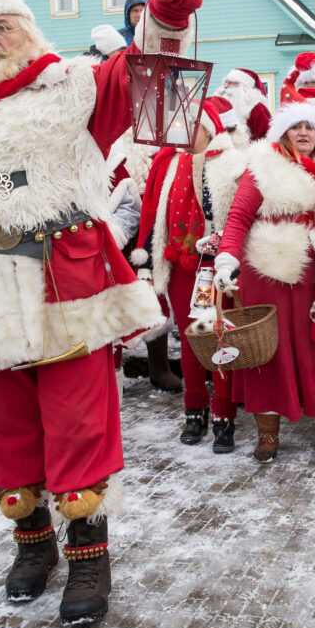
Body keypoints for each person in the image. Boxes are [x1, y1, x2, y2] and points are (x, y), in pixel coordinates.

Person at [0, 0, 200, 625]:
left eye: (4, 26)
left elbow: (145, 78)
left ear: (29, 36)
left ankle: (88, 556)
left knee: (79, 424)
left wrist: (164, 19)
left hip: (68, 284)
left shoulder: (72, 87)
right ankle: (32, 547)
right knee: (3, 433)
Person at [213, 87, 315, 463]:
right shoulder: (262, 164)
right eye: (295, 126)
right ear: (282, 131)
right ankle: (267, 431)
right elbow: (239, 217)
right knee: (271, 351)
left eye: (310, 126)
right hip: (270, 269)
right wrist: (227, 256)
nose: (303, 132)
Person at [131, 98, 248, 452]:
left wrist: (222, 242)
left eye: (191, 125)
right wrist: (148, 263)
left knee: (222, 339)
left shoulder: (233, 162)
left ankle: (224, 415)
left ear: (209, 129)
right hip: (182, 266)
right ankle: (194, 410)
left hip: (219, 267)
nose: (182, 131)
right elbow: (155, 216)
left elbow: (242, 216)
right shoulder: (170, 164)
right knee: (190, 341)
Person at [212, 68, 271, 144]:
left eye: (231, 83)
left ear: (244, 86)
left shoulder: (258, 108)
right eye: (225, 83)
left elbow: (266, 138)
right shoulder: (223, 107)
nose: (226, 86)